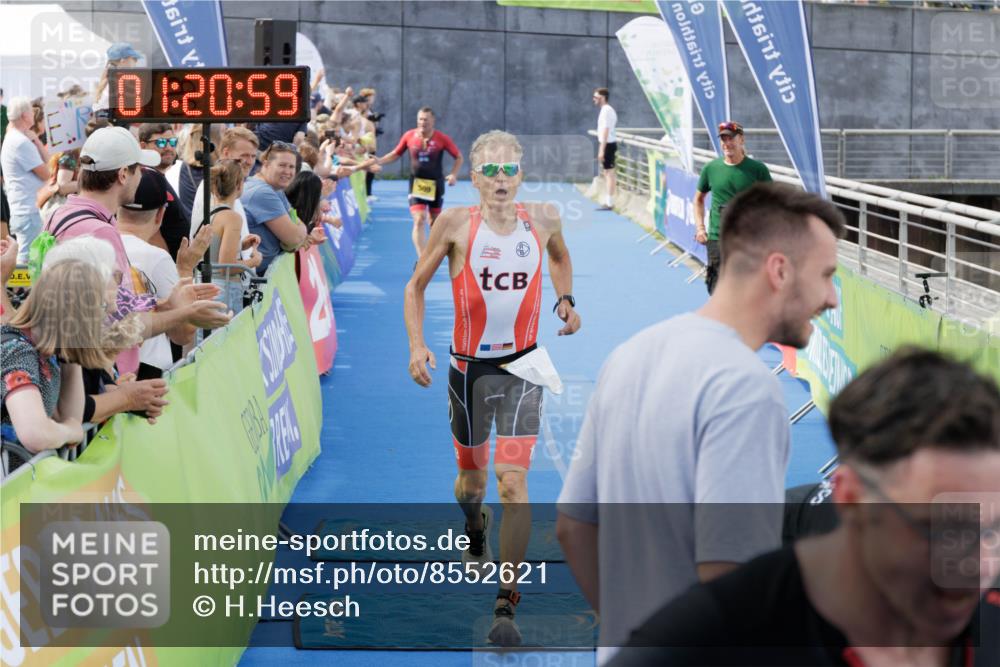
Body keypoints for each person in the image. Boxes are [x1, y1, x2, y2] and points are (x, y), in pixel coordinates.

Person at [556, 182, 844, 664]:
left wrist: (638, 642)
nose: (832, 298)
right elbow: (733, 578)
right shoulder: (746, 387)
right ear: (779, 270)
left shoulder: (630, 354)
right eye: (827, 275)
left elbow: (573, 526)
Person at [612, 349, 1000, 666]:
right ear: (851, 500)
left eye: (992, 531)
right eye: (939, 531)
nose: (980, 567)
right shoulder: (707, 639)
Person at [405, 130, 581, 647]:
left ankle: (507, 600)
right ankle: (473, 523)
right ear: (475, 177)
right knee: (472, 485)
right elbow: (415, 286)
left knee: (513, 483)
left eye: (509, 170)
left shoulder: (544, 217)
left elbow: (560, 256)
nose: (501, 179)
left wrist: (566, 299)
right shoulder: (455, 223)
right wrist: (417, 345)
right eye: (490, 170)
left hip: (524, 368)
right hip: (469, 372)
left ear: (520, 174)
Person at [44, 127, 231, 374]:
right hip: (103, 376)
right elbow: (122, 326)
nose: (141, 177)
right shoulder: (100, 232)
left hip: (88, 373)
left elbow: (107, 309)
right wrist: (186, 313)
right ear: (123, 174)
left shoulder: (63, 214)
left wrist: (165, 304)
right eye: (139, 169)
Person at [1, 258, 104, 456]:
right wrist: (69, 432)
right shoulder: (15, 350)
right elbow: (35, 434)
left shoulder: (45, 349)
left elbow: (70, 417)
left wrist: (72, 354)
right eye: (102, 308)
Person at [118, 167, 212, 374]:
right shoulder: (156, 258)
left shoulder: (94, 241)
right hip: (144, 372)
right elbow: (183, 334)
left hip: (106, 371)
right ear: (160, 214)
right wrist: (185, 270)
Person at [361, 107, 462, 257]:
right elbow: (396, 153)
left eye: (426, 119)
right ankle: (422, 258)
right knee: (419, 219)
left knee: (434, 223)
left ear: (433, 121)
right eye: (420, 119)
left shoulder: (442, 138)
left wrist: (453, 174)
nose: (422, 122)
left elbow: (458, 157)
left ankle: (434, 252)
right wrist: (380, 160)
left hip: (436, 184)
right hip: (417, 184)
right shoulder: (409, 135)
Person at [694, 121, 773, 295]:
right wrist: (700, 228)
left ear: (741, 140)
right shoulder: (711, 169)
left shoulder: (757, 170)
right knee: (716, 290)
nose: (727, 143)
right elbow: (698, 199)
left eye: (731, 138)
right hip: (717, 239)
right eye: (723, 139)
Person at [241, 142, 324, 276]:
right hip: (253, 276)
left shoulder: (275, 188)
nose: (288, 171)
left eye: (291, 167)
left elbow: (294, 220)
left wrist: (300, 232)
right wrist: (300, 232)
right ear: (266, 164)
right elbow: (294, 238)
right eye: (282, 165)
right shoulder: (262, 193)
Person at [195, 159, 261, 312]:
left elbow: (213, 250)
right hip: (223, 291)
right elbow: (227, 267)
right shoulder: (232, 217)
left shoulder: (207, 212)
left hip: (203, 287)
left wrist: (241, 245)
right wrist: (254, 261)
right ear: (238, 185)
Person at [1, 96, 50, 260]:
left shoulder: (16, 138)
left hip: (26, 210)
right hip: (28, 211)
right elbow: (47, 172)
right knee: (27, 259)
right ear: (24, 115)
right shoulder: (20, 142)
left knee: (31, 258)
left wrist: (34, 139)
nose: (34, 114)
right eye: (31, 111)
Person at [138, 123, 190, 260]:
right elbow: (151, 232)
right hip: (164, 264)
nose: (168, 147)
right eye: (160, 142)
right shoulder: (146, 180)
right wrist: (167, 265)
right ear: (143, 146)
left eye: (172, 142)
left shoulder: (156, 177)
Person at [593, 87, 617, 211]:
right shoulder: (605, 110)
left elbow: (606, 130)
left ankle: (610, 203)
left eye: (596, 97)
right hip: (606, 143)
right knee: (607, 173)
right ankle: (608, 201)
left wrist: (602, 150)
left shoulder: (607, 110)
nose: (594, 99)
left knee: (609, 173)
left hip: (608, 144)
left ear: (602, 98)